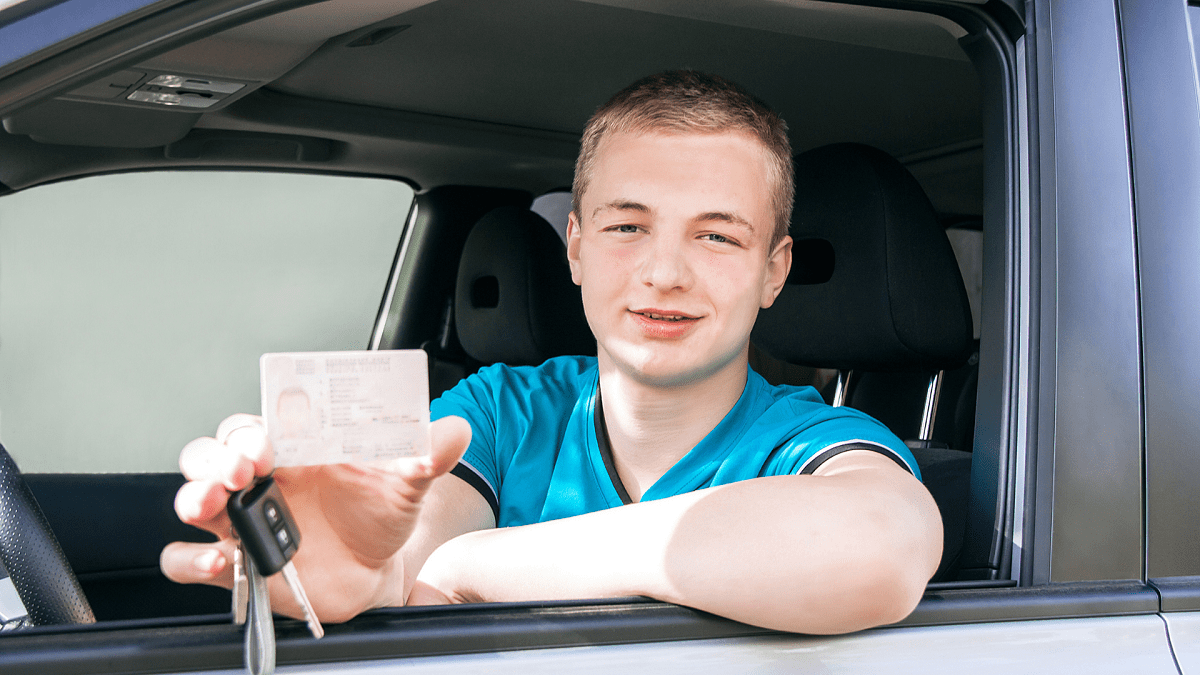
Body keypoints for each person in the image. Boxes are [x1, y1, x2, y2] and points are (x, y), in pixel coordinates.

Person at [160, 70, 942, 635]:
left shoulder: (809, 442)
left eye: (715, 235)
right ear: (575, 249)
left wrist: (474, 569)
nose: (664, 272)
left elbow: (881, 545)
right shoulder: (500, 409)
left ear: (774, 272)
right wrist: (380, 574)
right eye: (627, 226)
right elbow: (410, 549)